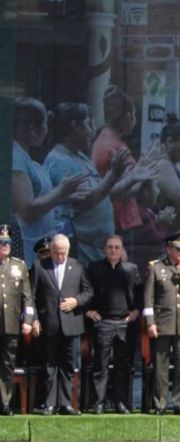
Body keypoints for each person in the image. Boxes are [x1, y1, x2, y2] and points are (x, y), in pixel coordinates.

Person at [43, 103, 130, 265]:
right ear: (75, 126)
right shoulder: (60, 161)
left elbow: (103, 195)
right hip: (82, 252)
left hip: (98, 250)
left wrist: (131, 178)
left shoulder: (80, 157)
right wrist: (113, 175)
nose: (93, 129)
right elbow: (87, 201)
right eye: (89, 123)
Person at [11, 98, 86, 265]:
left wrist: (65, 195)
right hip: (25, 249)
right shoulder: (15, 158)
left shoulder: (26, 156)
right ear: (32, 129)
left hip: (40, 247)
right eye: (44, 123)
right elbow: (26, 210)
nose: (47, 130)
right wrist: (61, 192)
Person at [30, 233, 93, 415]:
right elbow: (31, 296)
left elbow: (88, 292)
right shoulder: (39, 266)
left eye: (63, 253)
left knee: (67, 365)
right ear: (50, 250)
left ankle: (65, 403)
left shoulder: (77, 266)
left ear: (68, 250)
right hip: (48, 323)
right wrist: (34, 318)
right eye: (56, 253)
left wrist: (76, 301)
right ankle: (49, 404)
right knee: (50, 365)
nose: (60, 257)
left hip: (71, 324)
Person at [143, 231, 180, 415]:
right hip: (163, 324)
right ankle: (160, 403)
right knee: (161, 366)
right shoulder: (156, 267)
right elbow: (148, 299)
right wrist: (150, 323)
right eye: (178, 250)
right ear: (168, 249)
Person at [91, 86, 159, 249]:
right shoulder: (117, 147)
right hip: (121, 221)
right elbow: (125, 191)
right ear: (128, 116)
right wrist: (144, 172)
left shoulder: (102, 139)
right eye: (134, 114)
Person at [84, 235, 141, 414]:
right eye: (110, 247)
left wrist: (136, 311)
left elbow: (140, 293)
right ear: (104, 249)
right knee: (100, 365)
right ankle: (98, 402)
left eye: (117, 247)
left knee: (122, 366)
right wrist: (87, 310)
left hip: (124, 323)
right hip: (103, 322)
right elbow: (86, 291)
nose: (113, 250)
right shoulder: (94, 268)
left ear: (122, 249)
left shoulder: (131, 269)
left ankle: (121, 402)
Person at [0, 225, 35, 415]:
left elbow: (27, 298)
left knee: (7, 363)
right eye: (2, 242)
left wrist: (28, 320)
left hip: (10, 323)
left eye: (8, 243)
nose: (5, 246)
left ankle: (4, 403)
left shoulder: (19, 266)